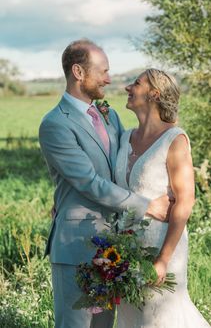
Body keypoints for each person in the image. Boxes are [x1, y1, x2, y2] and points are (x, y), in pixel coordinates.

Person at [39, 40, 171, 328]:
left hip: (115, 247)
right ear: (78, 72)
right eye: (104, 71)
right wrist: (147, 206)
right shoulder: (55, 124)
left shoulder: (107, 116)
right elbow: (89, 182)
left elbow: (124, 164)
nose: (109, 79)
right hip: (76, 245)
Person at [115, 68, 211, 328]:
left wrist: (163, 260)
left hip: (160, 247)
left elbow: (185, 201)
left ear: (154, 94)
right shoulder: (124, 138)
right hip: (123, 250)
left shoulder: (174, 139)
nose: (127, 88)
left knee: (160, 318)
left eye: (135, 83)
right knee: (130, 318)